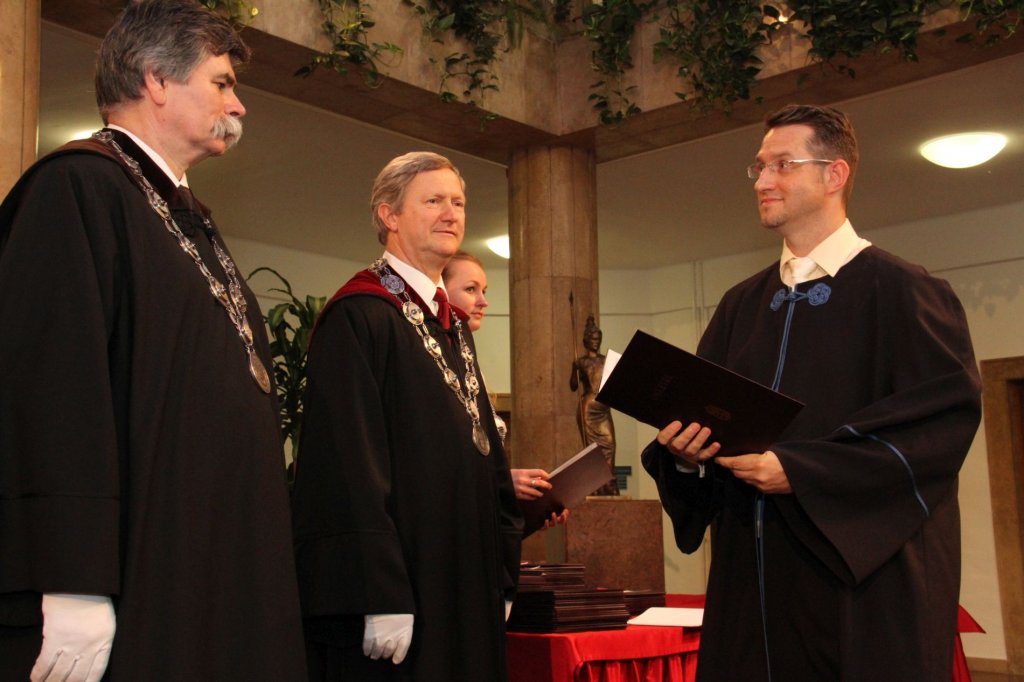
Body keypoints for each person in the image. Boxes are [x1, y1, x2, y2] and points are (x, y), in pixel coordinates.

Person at [0, 1, 307, 680]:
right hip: (141, 572)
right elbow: (50, 392)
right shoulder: (75, 187)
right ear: (157, 80)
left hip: (211, 565)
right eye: (222, 83)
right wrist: (71, 579)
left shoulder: (184, 215)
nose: (239, 105)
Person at [642, 104, 981, 681]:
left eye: (782, 164)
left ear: (834, 175)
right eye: (758, 167)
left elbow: (935, 430)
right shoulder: (741, 306)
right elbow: (711, 420)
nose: (762, 181)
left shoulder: (906, 291)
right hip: (751, 587)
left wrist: (799, 471)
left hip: (860, 589)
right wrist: (685, 456)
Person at [291, 153, 522, 681]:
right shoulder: (359, 314)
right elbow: (346, 465)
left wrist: (502, 572)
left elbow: (484, 449)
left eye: (458, 202)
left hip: (467, 584)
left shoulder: (453, 325)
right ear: (389, 215)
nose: (451, 214)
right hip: (404, 593)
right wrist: (377, 592)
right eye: (433, 200)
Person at [443, 250, 568, 525]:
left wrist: (527, 508)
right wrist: (501, 481)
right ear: (439, 293)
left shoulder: (469, 362)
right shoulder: (436, 363)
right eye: (470, 289)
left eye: (484, 290)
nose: (483, 301)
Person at [569, 315, 618, 495]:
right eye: (593, 339)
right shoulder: (581, 362)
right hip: (589, 407)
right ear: (586, 341)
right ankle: (596, 487)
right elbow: (573, 386)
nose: (596, 342)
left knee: (610, 446)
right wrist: (575, 369)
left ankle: (609, 486)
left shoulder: (606, 360)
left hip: (603, 407)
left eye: (598, 339)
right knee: (593, 451)